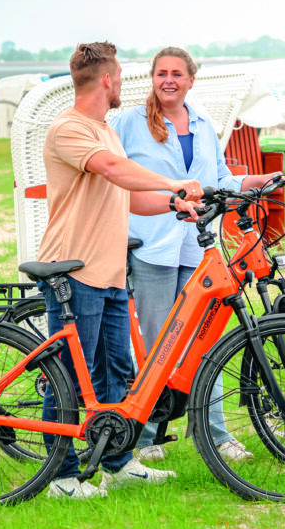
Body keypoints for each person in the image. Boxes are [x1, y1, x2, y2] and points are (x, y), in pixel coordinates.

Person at [37, 42, 204, 500]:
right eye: (121, 77)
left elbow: (125, 195)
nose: (122, 85)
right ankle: (61, 478)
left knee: (115, 372)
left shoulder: (105, 131)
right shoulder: (69, 128)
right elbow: (112, 169)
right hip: (74, 270)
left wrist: (174, 203)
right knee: (70, 377)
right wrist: (172, 180)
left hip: (110, 271)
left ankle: (118, 463)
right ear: (107, 79)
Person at [111, 46, 281, 463]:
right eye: (161, 73)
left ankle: (216, 435)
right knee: (159, 344)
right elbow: (117, 178)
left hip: (196, 245)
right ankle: (146, 436)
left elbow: (220, 179)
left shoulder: (203, 124)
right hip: (151, 245)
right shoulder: (129, 123)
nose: (168, 80)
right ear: (152, 78)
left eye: (176, 74)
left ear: (191, 79)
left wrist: (262, 180)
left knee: (207, 341)